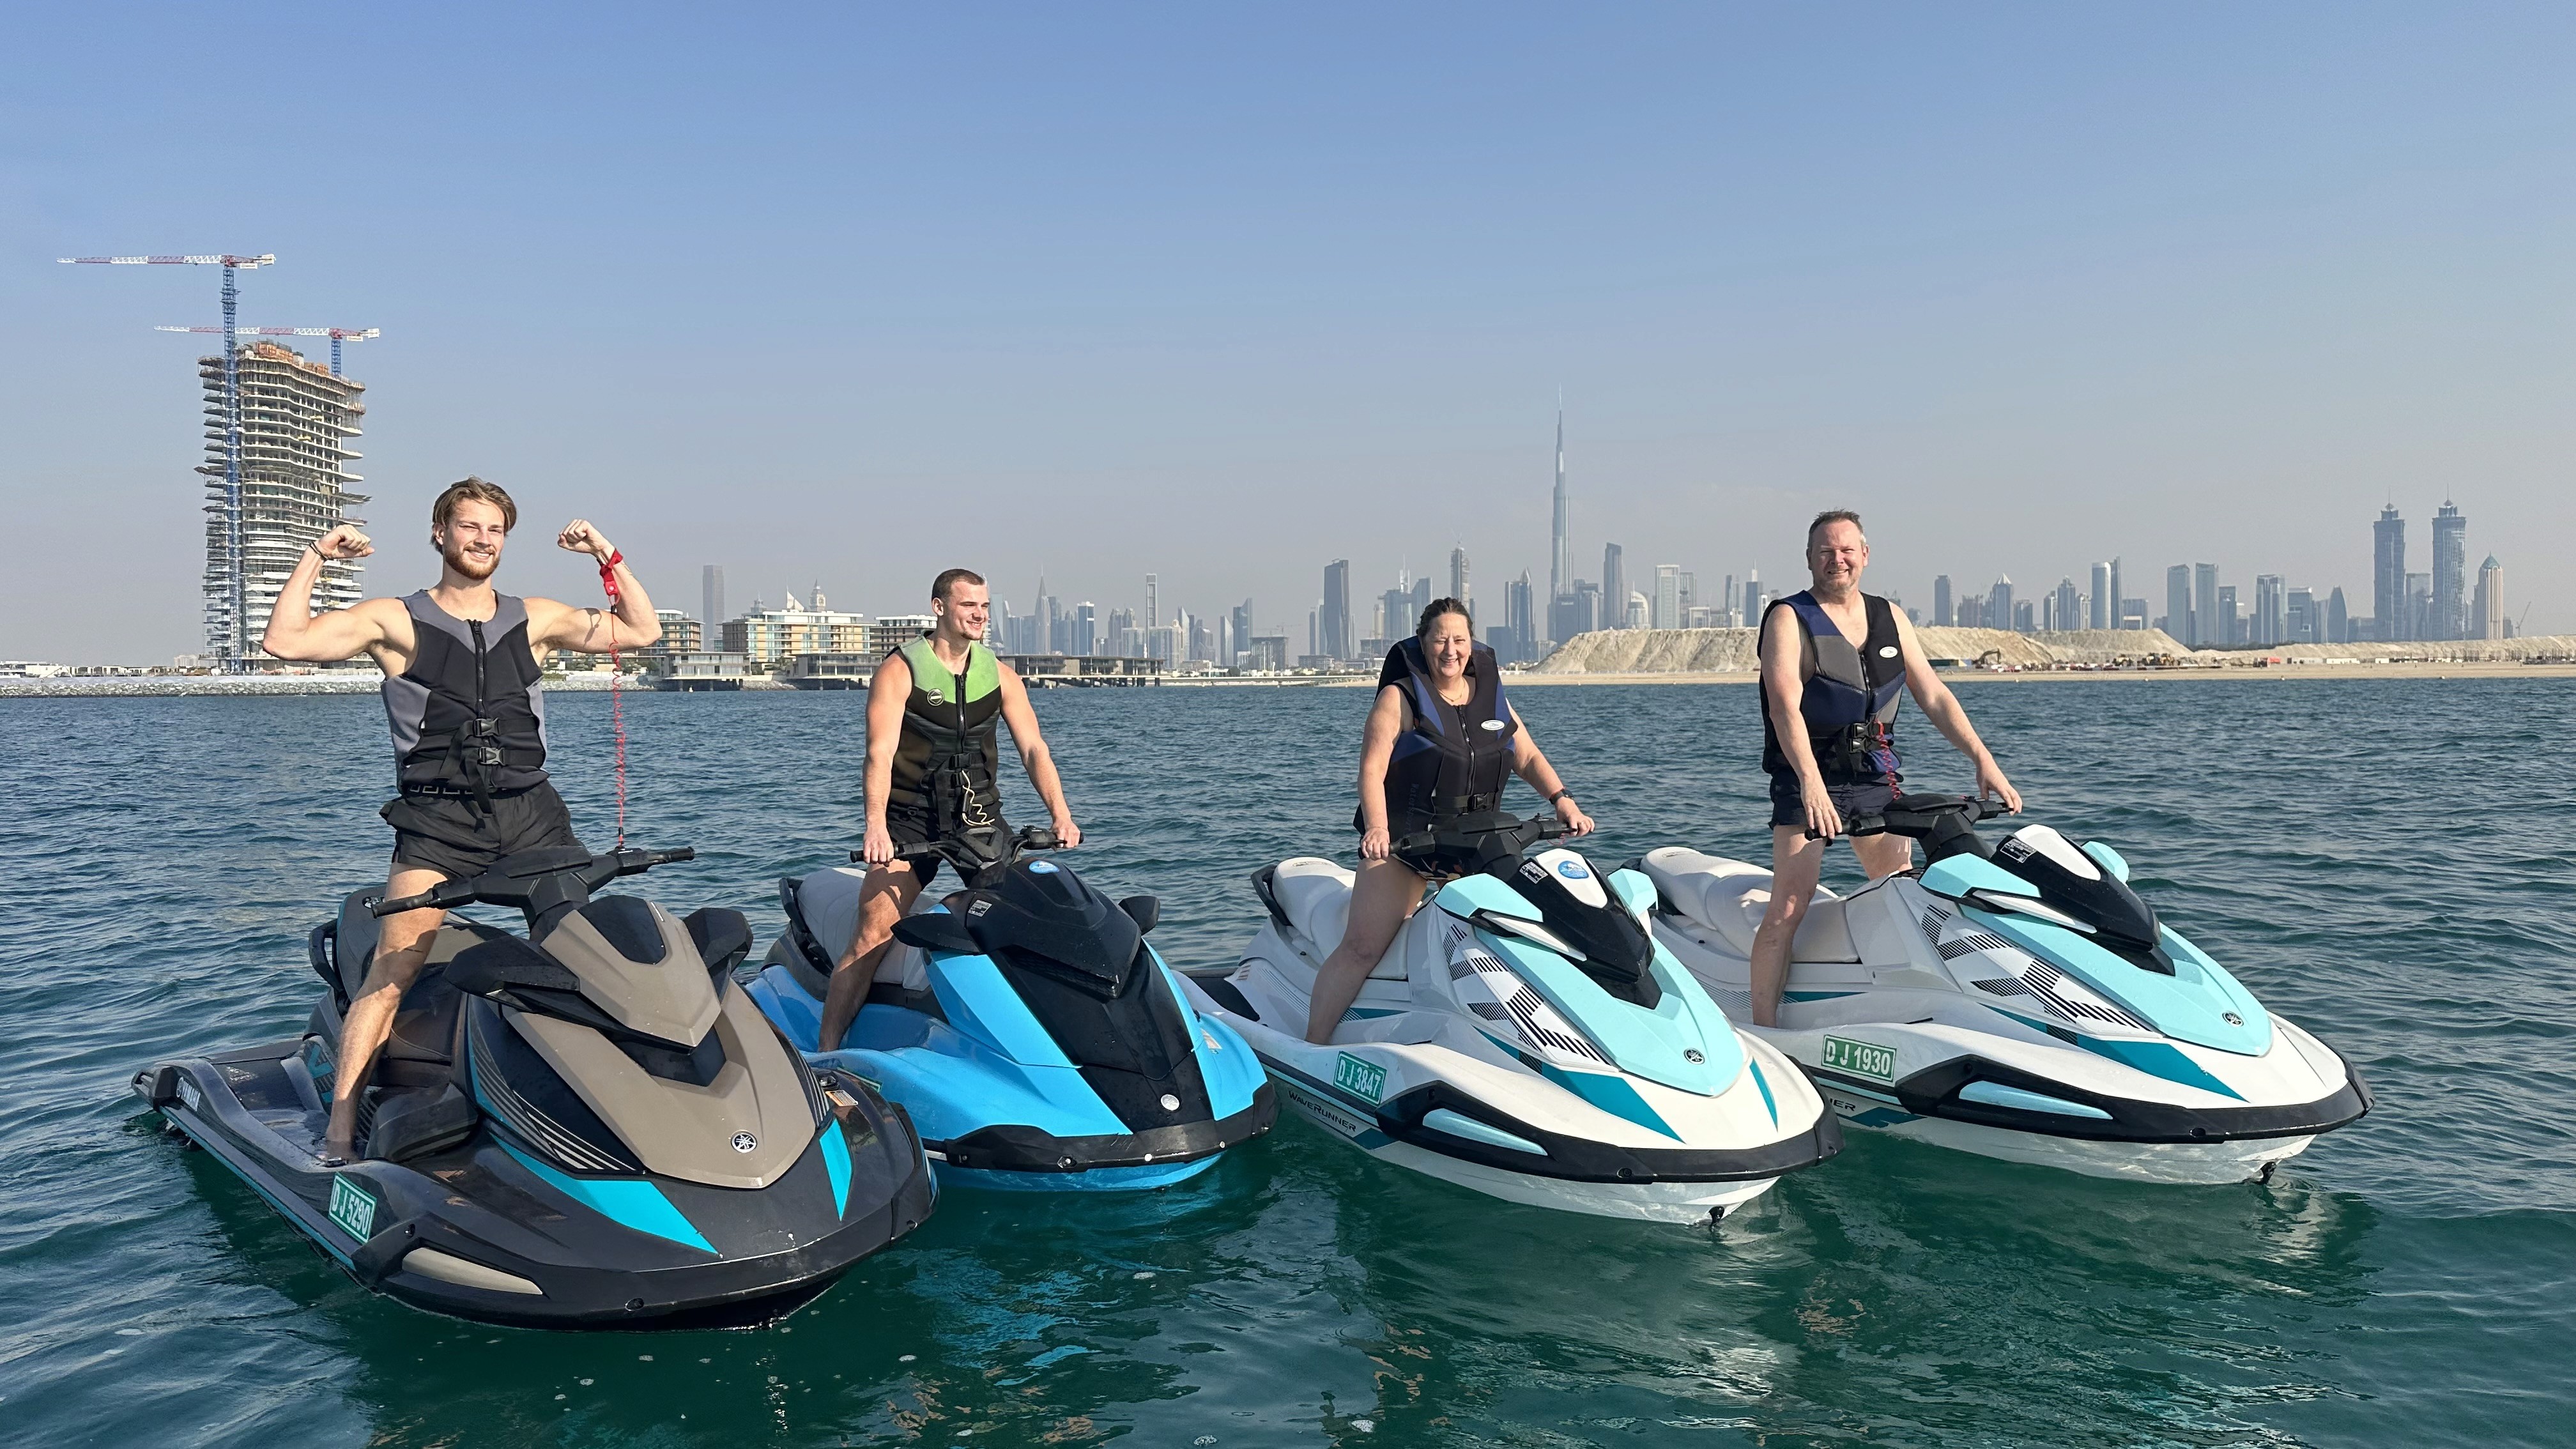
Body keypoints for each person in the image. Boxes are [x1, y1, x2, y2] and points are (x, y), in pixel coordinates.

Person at [259, 476, 661, 1154]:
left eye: (495, 529)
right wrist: (316, 555)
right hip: (438, 826)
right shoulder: (394, 619)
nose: (483, 539)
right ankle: (339, 1128)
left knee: (591, 957)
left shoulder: (534, 616)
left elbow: (641, 630)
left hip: (531, 815)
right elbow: (285, 642)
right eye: (469, 527)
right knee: (394, 968)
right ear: (440, 534)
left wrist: (604, 551)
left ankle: (627, 1111)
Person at [1750, 509, 2021, 1026]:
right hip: (1808, 775)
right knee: (1789, 905)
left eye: (1847, 550)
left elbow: (1934, 695)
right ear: (1809, 559)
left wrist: (1984, 760)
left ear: (1865, 556)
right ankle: (1765, 1027)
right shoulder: (1788, 618)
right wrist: (1810, 784)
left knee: (1903, 893)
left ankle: (1922, 1009)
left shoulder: (1889, 616)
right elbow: (1784, 707)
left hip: (1875, 773)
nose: (1838, 560)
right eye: (1826, 551)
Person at [1304, 598, 1594, 1044]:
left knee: (1510, 940)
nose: (1450, 650)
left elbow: (1528, 755)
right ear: (1423, 643)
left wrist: (1563, 800)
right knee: (1362, 948)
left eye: (1459, 640)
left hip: (1474, 845)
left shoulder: (1491, 697)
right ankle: (1312, 1045)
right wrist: (1378, 829)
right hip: (1406, 848)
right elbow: (1372, 770)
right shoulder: (1398, 699)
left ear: (1472, 644)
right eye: (1440, 639)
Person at [818, 568, 1082, 1051]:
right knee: (874, 933)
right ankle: (827, 1052)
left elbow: (1034, 749)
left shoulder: (1000, 676)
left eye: (984, 606)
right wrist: (875, 828)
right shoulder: (900, 671)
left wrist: (1060, 814)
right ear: (939, 608)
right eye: (968, 606)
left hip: (979, 819)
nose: (980, 615)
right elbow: (878, 753)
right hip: (909, 821)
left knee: (1027, 925)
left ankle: (1043, 1049)